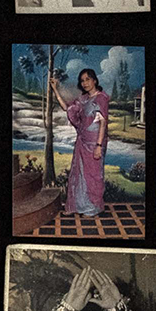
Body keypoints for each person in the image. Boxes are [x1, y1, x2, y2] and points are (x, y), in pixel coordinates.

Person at [47, 68, 110, 218]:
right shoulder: (83, 100)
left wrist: (99, 146)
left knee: (93, 175)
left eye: (88, 79)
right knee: (79, 175)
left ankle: (93, 208)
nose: (85, 83)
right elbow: (66, 108)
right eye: (82, 81)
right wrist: (55, 89)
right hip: (82, 140)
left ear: (95, 80)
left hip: (95, 142)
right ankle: (77, 206)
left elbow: (103, 123)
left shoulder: (101, 98)